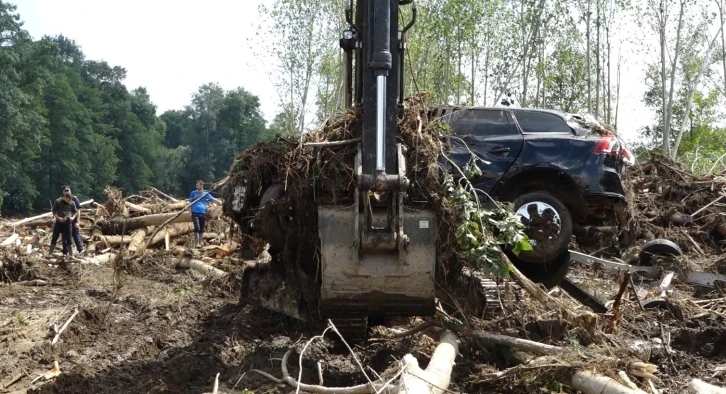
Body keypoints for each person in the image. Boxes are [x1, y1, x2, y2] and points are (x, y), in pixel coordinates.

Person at [189, 180, 219, 248]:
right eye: (196, 185)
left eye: (198, 185)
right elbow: (190, 202)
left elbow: (213, 199)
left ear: (202, 185)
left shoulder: (205, 193)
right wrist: (190, 211)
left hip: (203, 212)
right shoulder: (193, 193)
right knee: (197, 227)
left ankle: (200, 243)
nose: (196, 186)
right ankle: (196, 244)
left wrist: (219, 202)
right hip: (195, 212)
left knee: (202, 228)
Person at [47, 192, 78, 258]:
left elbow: (75, 212)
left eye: (70, 200)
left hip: (68, 223)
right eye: (67, 200)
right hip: (59, 222)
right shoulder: (58, 201)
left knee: (69, 238)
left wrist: (73, 218)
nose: (68, 201)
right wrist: (59, 218)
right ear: (65, 197)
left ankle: (71, 255)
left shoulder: (72, 203)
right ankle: (50, 254)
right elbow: (54, 212)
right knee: (55, 237)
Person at [62, 186, 85, 255]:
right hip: (65, 221)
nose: (66, 192)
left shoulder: (74, 199)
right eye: (65, 190)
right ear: (63, 191)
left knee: (76, 235)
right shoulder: (61, 200)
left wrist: (78, 221)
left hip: (73, 221)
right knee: (65, 237)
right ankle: (65, 253)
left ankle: (81, 251)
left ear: (70, 191)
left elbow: (78, 211)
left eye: (67, 190)